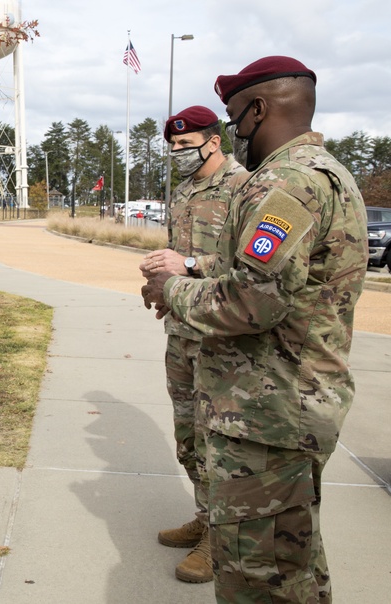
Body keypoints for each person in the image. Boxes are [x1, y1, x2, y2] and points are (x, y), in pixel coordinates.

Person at [142, 56, 368, 603]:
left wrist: (171, 290)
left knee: (259, 579)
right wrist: (191, 274)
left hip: (271, 416)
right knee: (292, 569)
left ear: (258, 110)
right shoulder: (320, 173)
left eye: (234, 114)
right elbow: (261, 278)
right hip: (279, 410)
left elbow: (253, 301)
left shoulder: (289, 183)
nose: (234, 126)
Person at [139, 105, 248, 583]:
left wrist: (186, 265)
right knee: (188, 439)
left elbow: (250, 270)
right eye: (174, 147)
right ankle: (205, 518)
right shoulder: (183, 192)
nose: (179, 153)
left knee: (216, 443)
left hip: (220, 338)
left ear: (215, 140)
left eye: (188, 144)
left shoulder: (245, 188)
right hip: (182, 333)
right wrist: (161, 289)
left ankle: (221, 542)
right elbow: (176, 264)